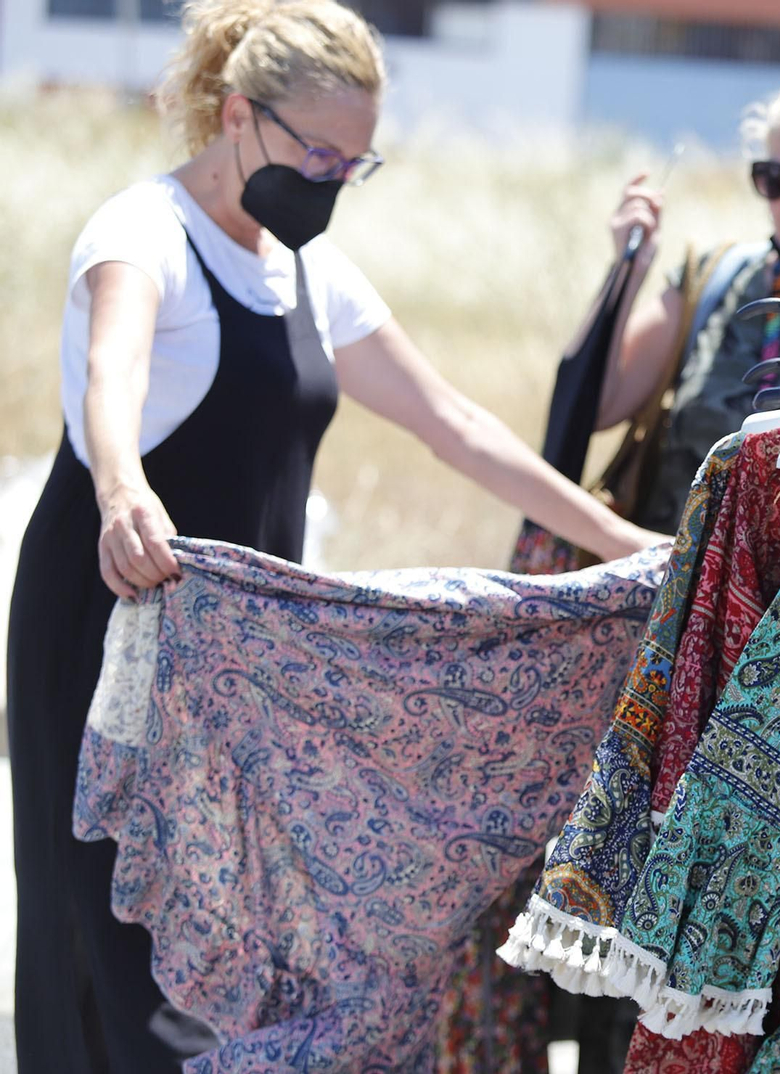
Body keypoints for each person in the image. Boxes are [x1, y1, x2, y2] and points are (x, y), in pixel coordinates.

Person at [4, 0, 664, 1068]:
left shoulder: (309, 274)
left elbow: (453, 424)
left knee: (237, 933)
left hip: (248, 665)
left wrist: (619, 537)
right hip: (109, 616)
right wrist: (123, 487)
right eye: (313, 151)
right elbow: (108, 371)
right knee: (110, 935)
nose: (327, 181)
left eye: (352, 164)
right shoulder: (142, 233)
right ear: (235, 117)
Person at [590, 65, 780, 533]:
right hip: (661, 583)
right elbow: (598, 409)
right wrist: (625, 274)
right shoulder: (713, 281)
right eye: (775, 177)